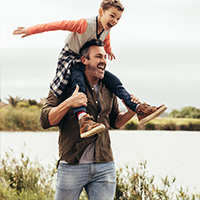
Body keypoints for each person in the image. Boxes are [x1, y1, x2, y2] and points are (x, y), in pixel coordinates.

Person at [14, 0, 167, 138]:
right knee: (78, 82)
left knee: (114, 81)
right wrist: (30, 30)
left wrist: (108, 50)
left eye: (118, 19)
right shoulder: (84, 24)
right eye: (112, 16)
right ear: (101, 12)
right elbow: (57, 25)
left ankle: (139, 108)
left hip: (86, 60)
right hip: (70, 58)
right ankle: (83, 120)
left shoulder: (107, 28)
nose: (114, 21)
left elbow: (105, 38)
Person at [40, 39, 138, 200]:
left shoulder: (109, 88)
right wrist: (69, 103)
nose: (104, 61)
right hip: (72, 165)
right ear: (84, 60)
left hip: (105, 165)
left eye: (105, 57)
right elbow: (45, 120)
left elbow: (114, 122)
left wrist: (130, 111)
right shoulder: (65, 84)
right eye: (99, 56)